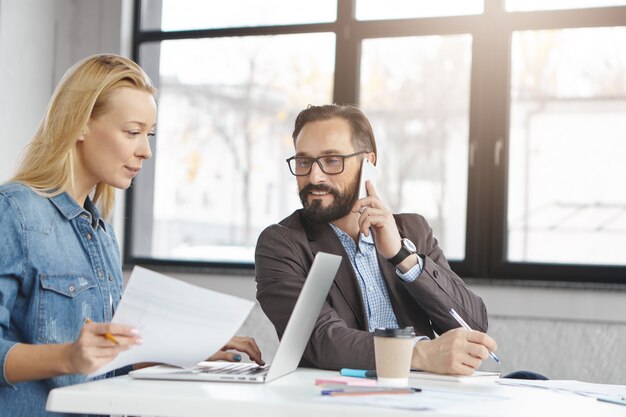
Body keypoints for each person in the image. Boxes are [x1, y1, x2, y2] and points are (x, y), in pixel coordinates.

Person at [0, 54, 263, 417]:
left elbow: (109, 365)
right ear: (79, 124)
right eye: (132, 132)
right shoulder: (14, 213)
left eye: (149, 134)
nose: (146, 150)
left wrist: (187, 351)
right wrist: (69, 356)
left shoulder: (101, 232)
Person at [255, 104, 496, 374]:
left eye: (332, 160)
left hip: (426, 396)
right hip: (337, 402)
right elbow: (319, 340)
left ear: (368, 163)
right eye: (303, 162)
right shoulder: (282, 245)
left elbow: (472, 327)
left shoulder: (412, 231)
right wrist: (419, 354)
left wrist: (404, 258)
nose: (314, 176)